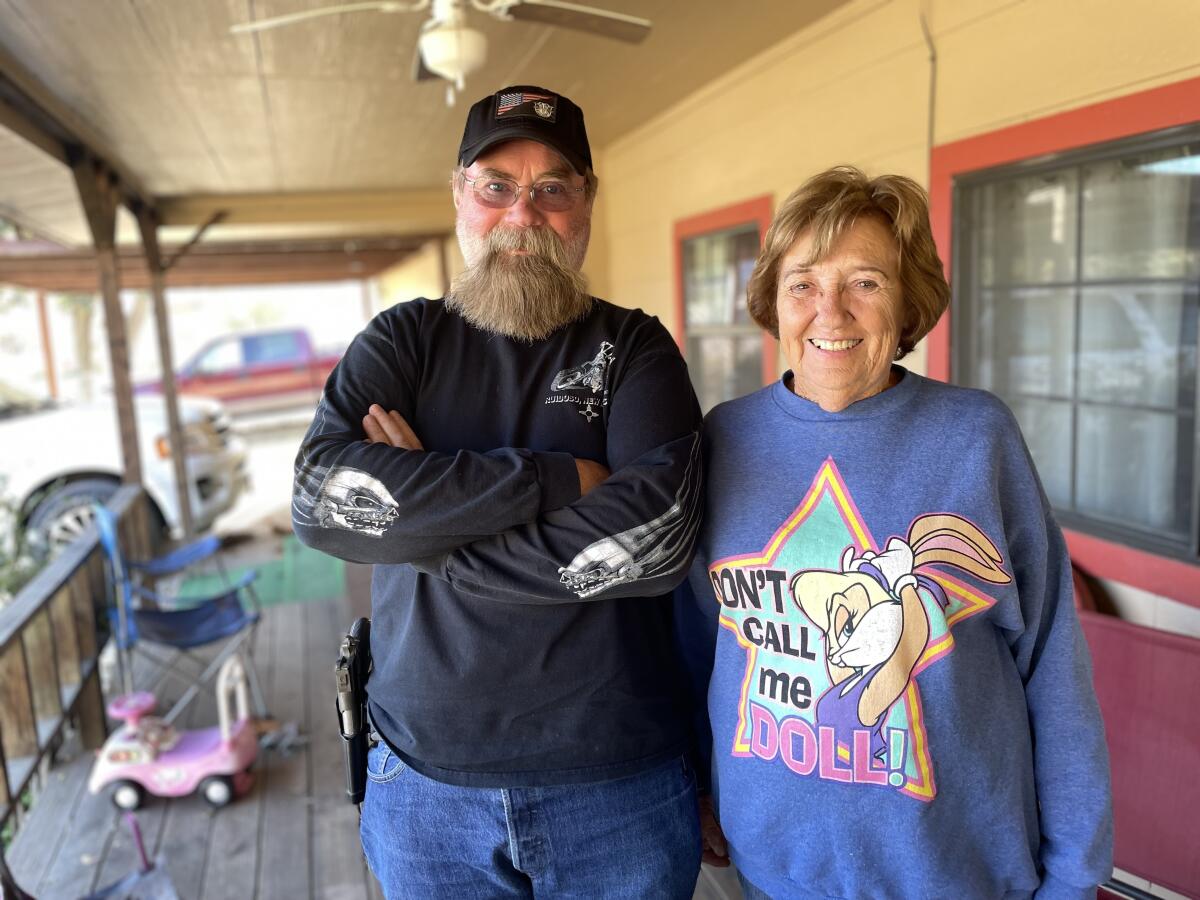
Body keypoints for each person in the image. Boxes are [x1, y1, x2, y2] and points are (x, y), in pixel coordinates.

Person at [292, 85, 704, 899]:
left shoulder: (633, 348)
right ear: (460, 197)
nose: (524, 214)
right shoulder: (402, 340)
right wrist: (558, 479)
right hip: (424, 787)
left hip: (615, 784)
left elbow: (654, 539)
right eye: (496, 187)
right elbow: (320, 498)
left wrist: (433, 532)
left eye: (553, 187)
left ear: (585, 202)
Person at [679, 166, 1113, 899]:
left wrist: (1074, 872)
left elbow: (1053, 663)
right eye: (804, 284)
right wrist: (693, 783)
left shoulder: (976, 436)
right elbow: (693, 648)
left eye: (866, 283)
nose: (831, 313)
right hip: (774, 874)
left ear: (908, 302)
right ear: (774, 302)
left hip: (955, 873)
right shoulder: (725, 439)